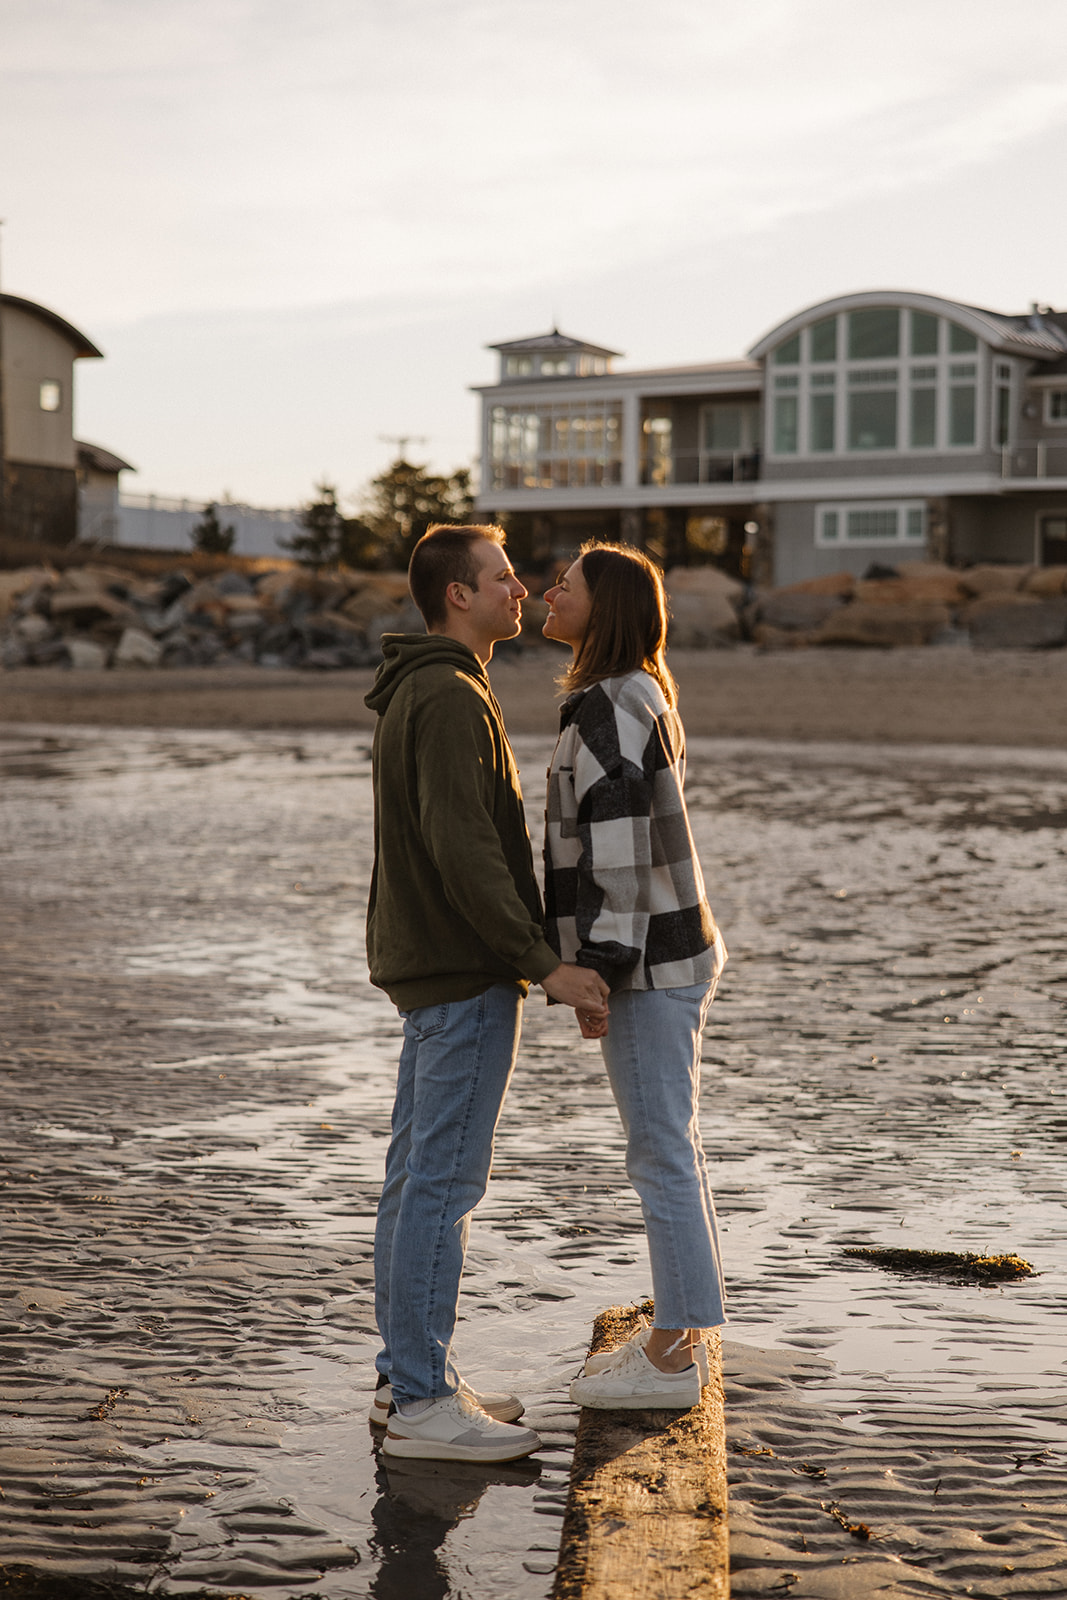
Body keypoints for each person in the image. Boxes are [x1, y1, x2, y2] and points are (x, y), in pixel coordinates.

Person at [366, 522, 609, 1462]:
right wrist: (540, 961)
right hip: (462, 972)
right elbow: (466, 851)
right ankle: (423, 1402)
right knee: (440, 1187)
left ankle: (406, 1379)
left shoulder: (429, 687)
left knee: (412, 1183)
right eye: (503, 578)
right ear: (456, 595)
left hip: (434, 968)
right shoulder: (447, 695)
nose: (522, 591)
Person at [541, 541, 728, 1410]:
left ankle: (668, 1360)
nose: (547, 591)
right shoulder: (636, 691)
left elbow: (616, 864)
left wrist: (593, 975)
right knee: (672, 1146)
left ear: (602, 609)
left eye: (565, 586)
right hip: (670, 953)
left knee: (658, 1153)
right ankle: (683, 1330)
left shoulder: (610, 706)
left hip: (648, 963)